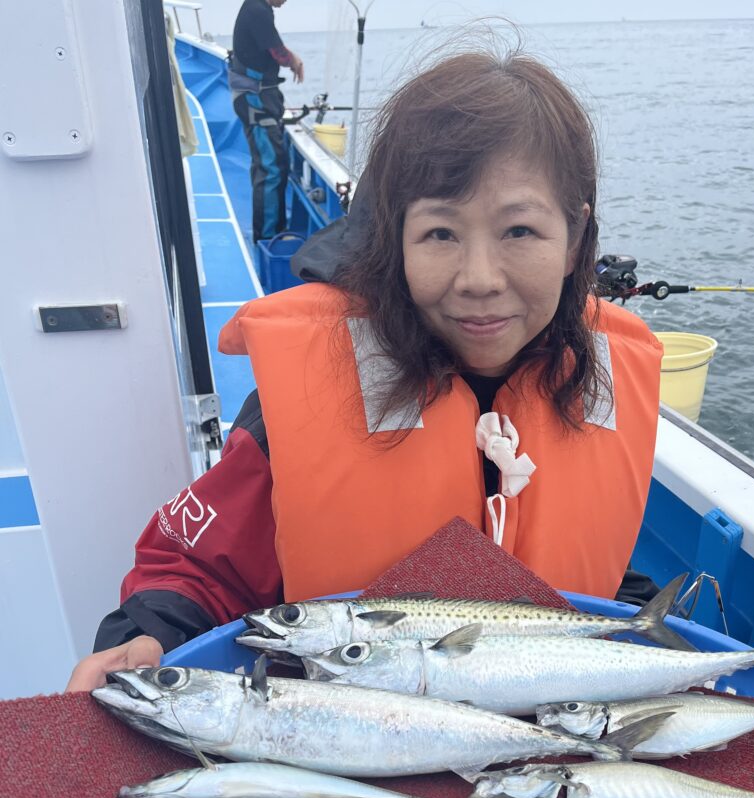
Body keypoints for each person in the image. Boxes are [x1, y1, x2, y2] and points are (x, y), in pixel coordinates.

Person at [67, 48, 663, 692]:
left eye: (519, 231)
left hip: (557, 746)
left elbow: (600, 572)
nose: (480, 280)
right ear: (393, 237)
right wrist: (149, 634)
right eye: (440, 233)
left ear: (576, 240)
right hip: (354, 745)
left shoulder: (601, 383)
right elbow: (201, 568)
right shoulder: (306, 399)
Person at [229, 0, 303, 242]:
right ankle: (268, 238)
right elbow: (279, 54)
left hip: (261, 96)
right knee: (270, 166)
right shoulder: (257, 10)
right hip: (255, 100)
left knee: (270, 162)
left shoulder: (260, 8)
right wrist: (294, 60)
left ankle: (275, 230)